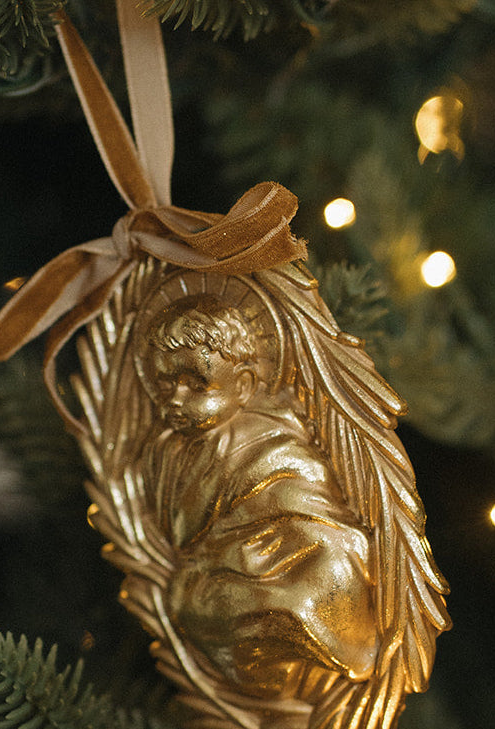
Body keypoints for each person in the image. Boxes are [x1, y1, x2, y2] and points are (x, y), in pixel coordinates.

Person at [140, 293, 379, 694]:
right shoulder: (167, 454)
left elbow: (319, 526)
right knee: (186, 598)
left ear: (245, 385)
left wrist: (239, 552)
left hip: (297, 562)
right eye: (166, 385)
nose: (175, 401)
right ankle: (261, 674)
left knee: (310, 587)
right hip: (224, 574)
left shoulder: (277, 449)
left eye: (196, 384)